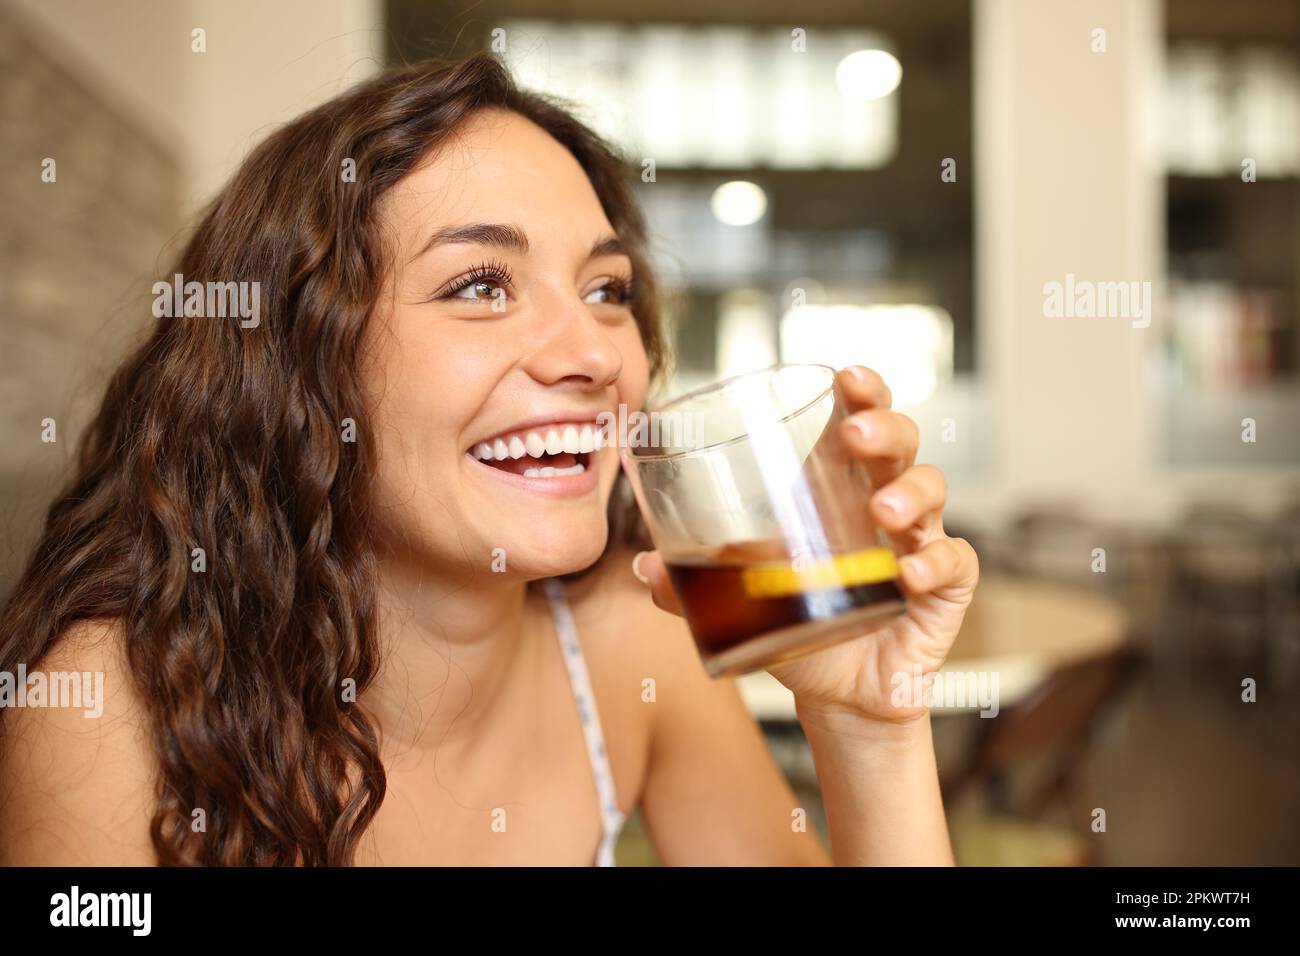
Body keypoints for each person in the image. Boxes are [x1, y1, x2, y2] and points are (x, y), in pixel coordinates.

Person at [0, 53, 978, 866]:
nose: (596, 353)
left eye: (606, 289)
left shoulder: (625, 644)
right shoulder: (110, 711)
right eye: (478, 283)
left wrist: (869, 728)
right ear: (300, 361)